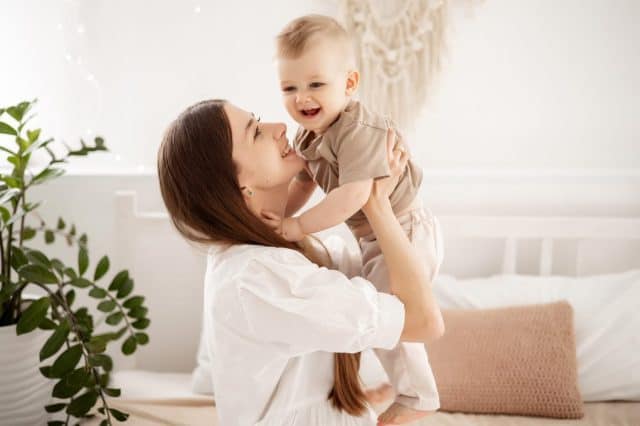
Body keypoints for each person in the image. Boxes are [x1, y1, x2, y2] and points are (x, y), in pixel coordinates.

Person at [157, 99, 444, 426]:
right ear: (241, 187)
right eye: (255, 134)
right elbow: (424, 321)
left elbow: (387, 293)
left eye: (259, 120)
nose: (279, 127)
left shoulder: (283, 255)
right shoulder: (258, 277)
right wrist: (377, 205)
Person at [272, 15, 444, 423]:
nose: (302, 98)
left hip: (406, 230)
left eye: (315, 84)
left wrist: (296, 227)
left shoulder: (358, 130)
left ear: (349, 84)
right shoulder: (309, 136)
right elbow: (304, 182)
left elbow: (353, 196)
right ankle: (378, 385)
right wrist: (280, 217)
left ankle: (419, 397)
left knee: (389, 317)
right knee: (366, 315)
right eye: (289, 87)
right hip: (376, 238)